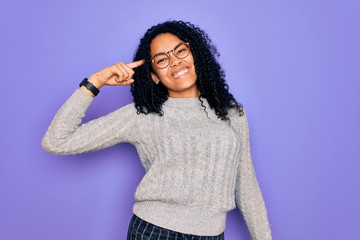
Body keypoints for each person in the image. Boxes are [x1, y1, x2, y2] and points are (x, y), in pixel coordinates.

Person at [42, 20, 272, 240]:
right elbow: (57, 141)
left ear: (195, 54)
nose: (174, 62)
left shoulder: (232, 113)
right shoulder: (143, 114)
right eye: (161, 59)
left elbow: (247, 186)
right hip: (154, 232)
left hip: (212, 235)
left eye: (180, 51)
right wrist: (96, 81)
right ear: (154, 75)